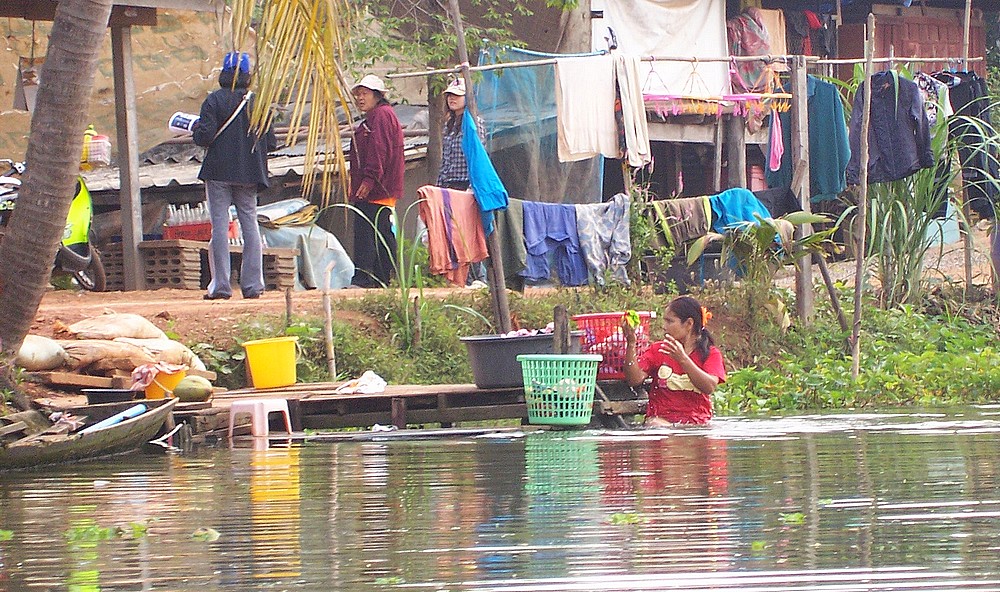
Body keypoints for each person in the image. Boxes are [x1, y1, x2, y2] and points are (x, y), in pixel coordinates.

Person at [192, 51, 276, 300]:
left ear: (223, 74)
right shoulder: (258, 103)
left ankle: (220, 287)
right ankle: (252, 286)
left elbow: (205, 137)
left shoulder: (214, 101)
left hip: (218, 171)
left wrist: (195, 129)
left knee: (219, 226)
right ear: (248, 76)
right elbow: (270, 142)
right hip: (250, 173)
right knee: (249, 225)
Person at [622, 296, 727, 426]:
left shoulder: (710, 354)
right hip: (660, 423)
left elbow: (709, 387)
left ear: (689, 324)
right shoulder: (658, 350)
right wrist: (631, 343)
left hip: (697, 425)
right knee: (655, 424)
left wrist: (683, 359)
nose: (664, 327)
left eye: (669, 321)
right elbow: (634, 380)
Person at [348, 74, 404, 288]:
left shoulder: (381, 116)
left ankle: (372, 278)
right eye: (358, 94)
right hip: (374, 188)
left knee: (374, 233)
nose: (360, 98)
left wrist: (369, 181)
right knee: (373, 232)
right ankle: (378, 278)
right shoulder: (374, 117)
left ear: (377, 96)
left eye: (365, 94)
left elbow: (379, 151)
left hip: (378, 189)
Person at [437, 77, 488, 287]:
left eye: (457, 95)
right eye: (450, 95)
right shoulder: (449, 125)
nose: (452, 99)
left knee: (469, 232)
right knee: (454, 234)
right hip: (450, 185)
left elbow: (478, 156)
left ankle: (478, 277)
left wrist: (472, 187)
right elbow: (445, 159)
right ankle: (460, 278)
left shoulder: (474, 122)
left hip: (466, 185)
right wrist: (439, 187)